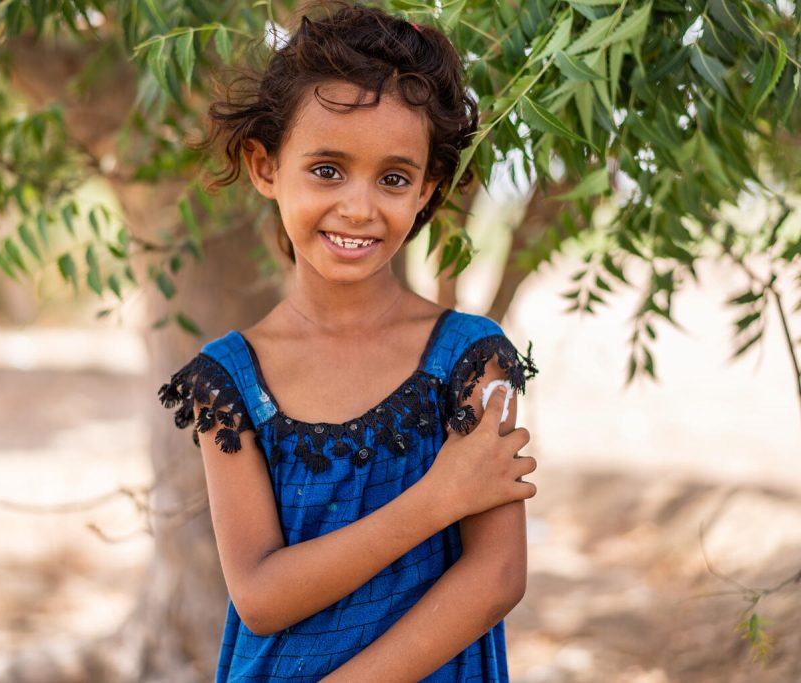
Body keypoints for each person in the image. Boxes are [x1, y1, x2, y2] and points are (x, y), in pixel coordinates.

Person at [157, 3, 539, 680]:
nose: (359, 207)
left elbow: (498, 575)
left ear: (426, 190)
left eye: (393, 178)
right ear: (266, 165)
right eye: (328, 169)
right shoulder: (230, 380)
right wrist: (438, 497)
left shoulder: (473, 358)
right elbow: (261, 594)